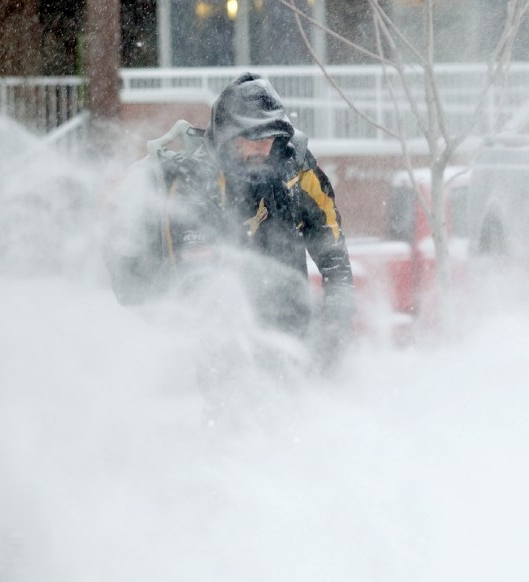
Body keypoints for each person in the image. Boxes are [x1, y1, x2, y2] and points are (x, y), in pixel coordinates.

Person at [107, 72, 354, 364]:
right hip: (218, 350)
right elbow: (194, 282)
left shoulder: (296, 171)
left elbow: (334, 254)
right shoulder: (194, 185)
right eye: (252, 136)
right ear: (229, 135)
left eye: (270, 136)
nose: (264, 146)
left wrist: (336, 324)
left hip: (291, 333)